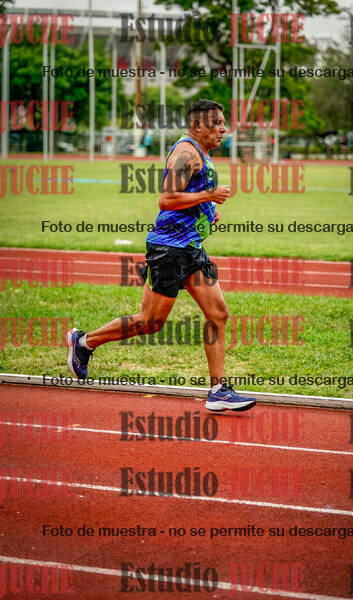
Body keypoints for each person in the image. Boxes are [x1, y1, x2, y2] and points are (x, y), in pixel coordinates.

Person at [66, 99, 256, 412]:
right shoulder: (186, 153)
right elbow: (167, 199)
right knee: (150, 322)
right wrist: (210, 195)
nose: (224, 128)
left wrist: (207, 211)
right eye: (218, 123)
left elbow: (187, 197)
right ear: (197, 125)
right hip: (169, 250)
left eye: (224, 122)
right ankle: (84, 343)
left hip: (191, 249)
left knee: (218, 313)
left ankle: (218, 390)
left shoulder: (201, 153)